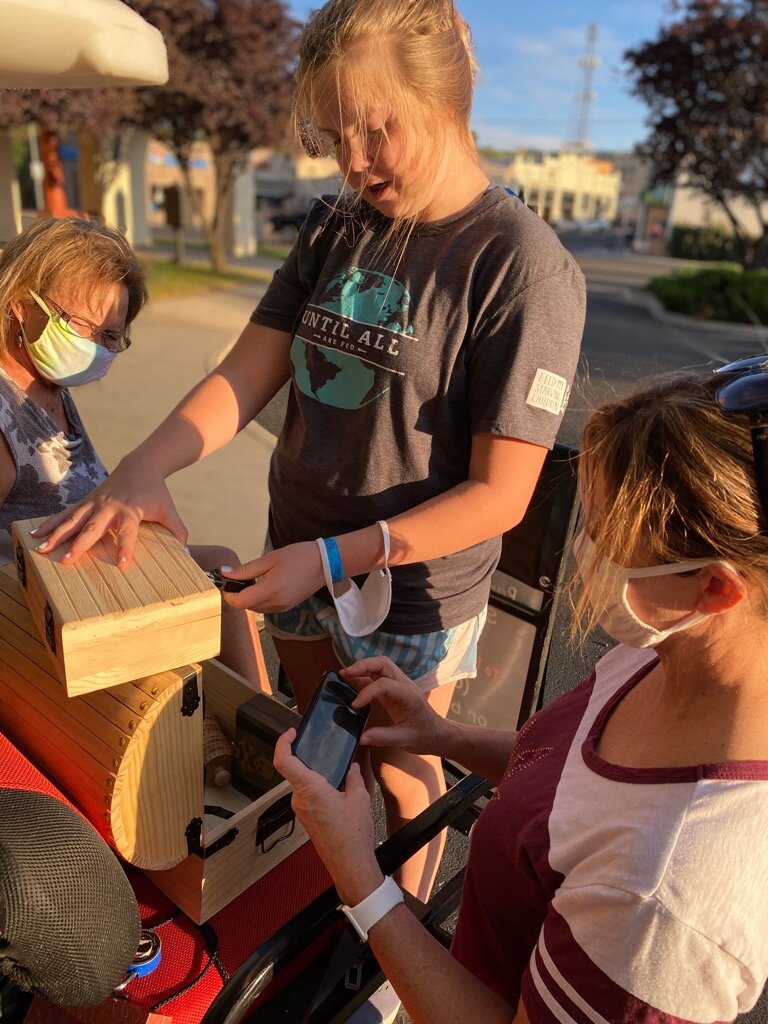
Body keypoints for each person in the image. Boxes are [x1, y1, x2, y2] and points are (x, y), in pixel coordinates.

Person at [33, 0, 585, 902]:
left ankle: (390, 938)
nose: (354, 161)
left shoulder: (521, 265)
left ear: (448, 97)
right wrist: (143, 469)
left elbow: (501, 495)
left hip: (409, 589)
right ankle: (337, 894)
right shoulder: (336, 225)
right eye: (334, 136)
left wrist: (330, 559)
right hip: (295, 550)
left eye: (377, 128)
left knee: (398, 764)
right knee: (324, 747)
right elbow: (246, 373)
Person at [274, 368, 768, 1024]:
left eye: (610, 539)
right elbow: (579, 785)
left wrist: (359, 877)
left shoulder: (663, 903)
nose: (585, 551)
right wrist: (442, 735)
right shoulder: (673, 650)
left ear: (717, 588)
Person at [0, 216, 266, 689]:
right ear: (21, 305)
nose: (96, 349)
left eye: (110, 337)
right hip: (53, 624)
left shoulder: (47, 385)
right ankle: (259, 717)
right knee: (221, 582)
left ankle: (258, 715)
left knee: (225, 571)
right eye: (81, 326)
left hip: (92, 588)